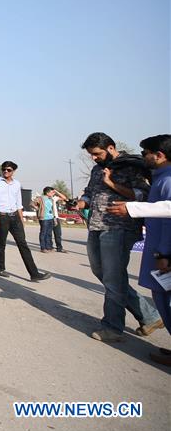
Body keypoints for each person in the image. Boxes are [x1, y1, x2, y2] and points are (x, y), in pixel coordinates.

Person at [76, 132, 161, 343]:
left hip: (119, 228)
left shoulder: (131, 166)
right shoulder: (97, 169)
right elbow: (90, 191)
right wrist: (83, 201)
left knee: (113, 278)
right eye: (91, 154)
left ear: (111, 148)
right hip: (96, 225)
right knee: (102, 273)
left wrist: (111, 183)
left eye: (97, 154)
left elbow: (143, 195)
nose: (94, 158)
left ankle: (113, 327)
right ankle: (150, 316)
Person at [107, 135, 171, 365]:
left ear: (159, 155)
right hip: (158, 250)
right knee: (161, 298)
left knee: (166, 299)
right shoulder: (160, 177)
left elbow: (168, 217)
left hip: (163, 254)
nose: (143, 157)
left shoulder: (168, 180)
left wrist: (164, 253)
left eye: (145, 153)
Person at [0, 161, 51, 281]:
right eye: (4, 169)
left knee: (23, 243)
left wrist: (21, 220)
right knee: (1, 243)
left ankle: (34, 273)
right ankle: (0, 268)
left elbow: (19, 204)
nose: (6, 171)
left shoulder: (17, 184)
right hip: (1, 216)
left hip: (15, 217)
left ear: (13, 171)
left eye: (8, 170)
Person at [34, 187, 57, 252]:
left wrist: (54, 218)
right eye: (52, 192)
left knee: (49, 233)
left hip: (51, 218)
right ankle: (43, 248)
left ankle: (49, 247)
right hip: (44, 218)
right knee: (43, 233)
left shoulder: (51, 199)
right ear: (47, 193)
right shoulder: (40, 198)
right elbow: (32, 203)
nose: (53, 193)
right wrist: (38, 208)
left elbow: (52, 209)